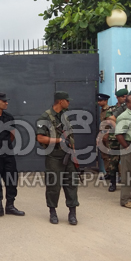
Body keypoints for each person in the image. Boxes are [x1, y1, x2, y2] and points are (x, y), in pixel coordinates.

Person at [36, 91, 79, 226]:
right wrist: (58, 140)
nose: (69, 102)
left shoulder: (64, 116)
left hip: (69, 155)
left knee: (71, 184)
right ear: (61, 101)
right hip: (54, 156)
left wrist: (74, 153)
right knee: (53, 185)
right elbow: (40, 138)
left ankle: (72, 212)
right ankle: (52, 211)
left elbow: (70, 136)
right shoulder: (45, 117)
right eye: (67, 100)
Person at [104, 88, 128, 191]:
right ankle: (112, 183)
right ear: (117, 98)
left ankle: (129, 184)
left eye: (126, 96)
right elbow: (109, 121)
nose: (125, 98)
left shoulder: (129, 108)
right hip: (114, 139)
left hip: (127, 138)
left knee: (128, 162)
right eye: (122, 97)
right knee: (113, 162)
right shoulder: (111, 109)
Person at [96, 93, 111, 179]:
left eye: (100, 100)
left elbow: (111, 124)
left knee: (112, 156)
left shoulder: (110, 110)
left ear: (106, 101)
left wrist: (107, 134)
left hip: (109, 136)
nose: (99, 102)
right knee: (104, 156)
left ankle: (119, 175)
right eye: (98, 101)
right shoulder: (102, 110)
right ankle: (108, 173)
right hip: (103, 134)